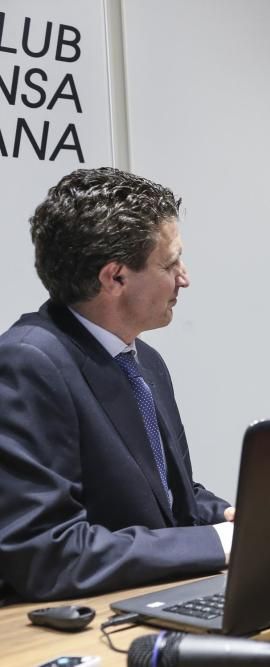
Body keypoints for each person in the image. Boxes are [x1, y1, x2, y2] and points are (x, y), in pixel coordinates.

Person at [0, 168, 234, 602]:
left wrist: (231, 518)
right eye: (170, 263)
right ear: (114, 278)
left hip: (152, 598)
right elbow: (48, 553)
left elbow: (167, 498)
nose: (184, 277)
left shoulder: (144, 360)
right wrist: (218, 544)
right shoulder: (26, 363)